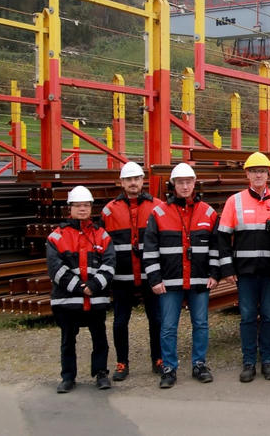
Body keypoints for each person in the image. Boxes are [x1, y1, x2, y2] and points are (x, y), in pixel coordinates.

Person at [143, 162, 222, 389]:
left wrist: (214, 274)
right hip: (170, 282)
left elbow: (216, 247)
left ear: (194, 183)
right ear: (173, 185)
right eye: (180, 182)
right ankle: (169, 368)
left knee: (201, 324)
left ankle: (199, 364)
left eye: (188, 182)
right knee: (168, 326)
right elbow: (150, 250)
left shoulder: (208, 212)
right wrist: (155, 279)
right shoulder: (159, 213)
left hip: (199, 279)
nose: (185, 186)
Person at [217, 152, 270, 383]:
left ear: (268, 174)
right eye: (254, 171)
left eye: (262, 171)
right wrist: (227, 269)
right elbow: (222, 238)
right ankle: (248, 362)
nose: (258, 175)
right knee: (247, 317)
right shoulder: (234, 201)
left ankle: (267, 361)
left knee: (269, 316)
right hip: (245, 274)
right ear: (247, 174)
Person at [47, 185, 115, 393]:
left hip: (95, 299)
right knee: (68, 340)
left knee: (100, 338)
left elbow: (109, 264)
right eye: (78, 205)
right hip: (67, 300)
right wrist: (80, 288)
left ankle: (101, 373)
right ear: (70, 207)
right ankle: (68, 377)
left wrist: (93, 286)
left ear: (91, 207)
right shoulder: (57, 237)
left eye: (86, 205)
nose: (83, 209)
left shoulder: (102, 235)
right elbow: (55, 269)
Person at [101, 161, 162, 381]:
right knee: (120, 321)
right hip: (121, 277)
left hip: (150, 276)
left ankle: (158, 359)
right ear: (122, 182)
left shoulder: (157, 207)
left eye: (136, 178)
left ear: (143, 180)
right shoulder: (109, 210)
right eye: (128, 179)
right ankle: (122, 362)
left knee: (156, 319)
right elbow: (103, 245)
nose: (133, 183)